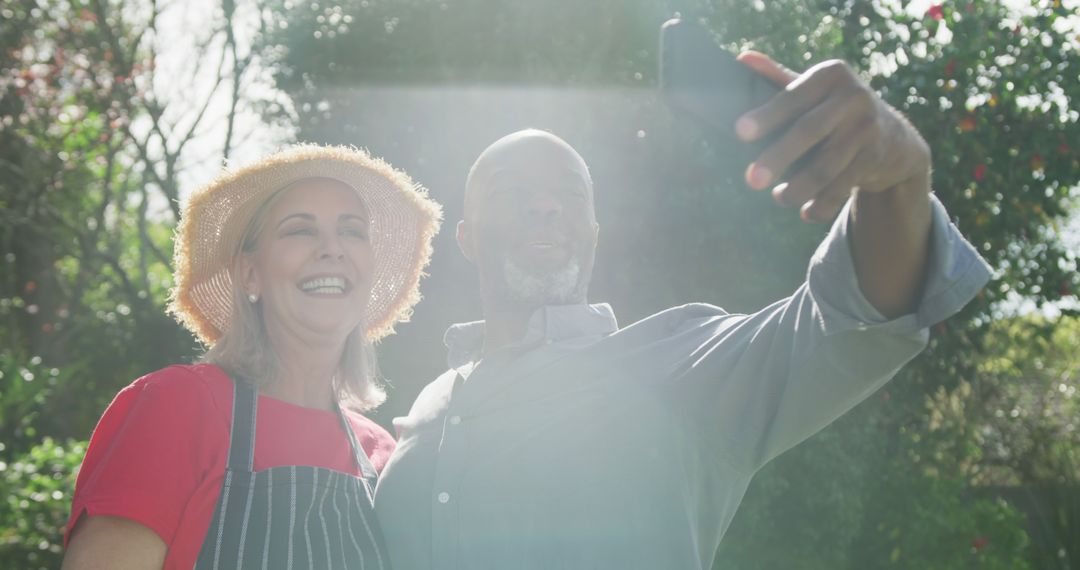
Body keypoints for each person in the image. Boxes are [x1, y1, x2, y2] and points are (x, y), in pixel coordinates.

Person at [372, 52, 993, 569]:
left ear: (592, 233)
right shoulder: (426, 410)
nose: (544, 206)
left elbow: (849, 314)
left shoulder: (677, 367)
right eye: (511, 193)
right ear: (467, 239)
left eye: (568, 194)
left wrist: (897, 181)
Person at [63, 144, 442, 569]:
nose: (332, 249)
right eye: (300, 230)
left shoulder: (382, 454)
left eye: (352, 231)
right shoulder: (174, 405)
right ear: (250, 273)